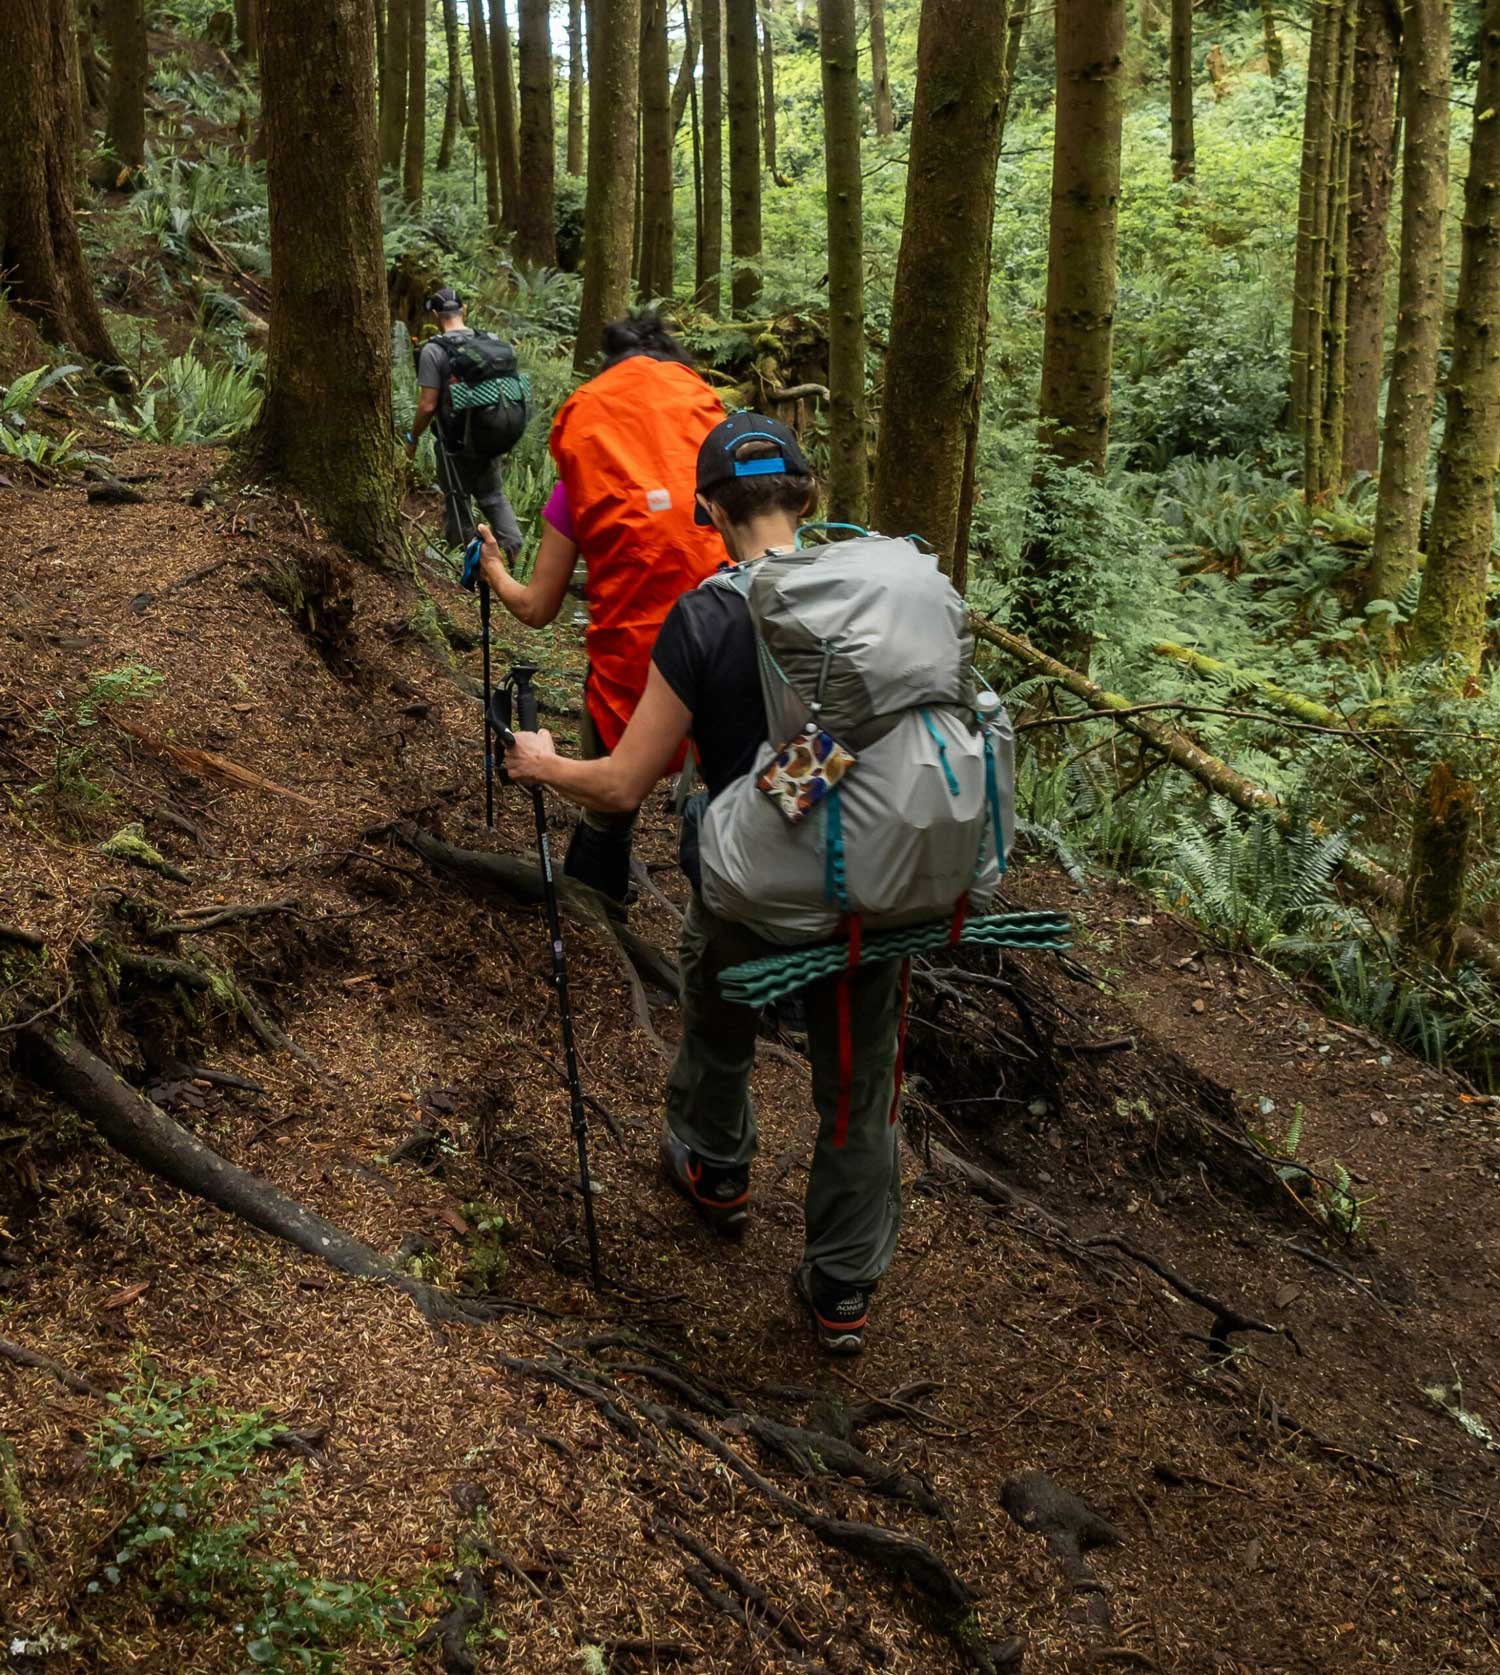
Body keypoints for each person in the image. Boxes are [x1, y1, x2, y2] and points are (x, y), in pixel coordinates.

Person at [503, 414, 905, 1357]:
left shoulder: (707, 616)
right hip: (869, 893)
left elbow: (625, 784)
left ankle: (717, 1171)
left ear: (709, 510)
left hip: (750, 897)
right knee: (858, 1088)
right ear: (807, 498)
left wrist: (546, 763)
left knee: (718, 1020)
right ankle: (841, 1286)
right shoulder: (878, 599)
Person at [474, 311, 725, 906]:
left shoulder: (589, 467)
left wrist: (494, 570)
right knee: (736, 802)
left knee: (608, 813)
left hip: (633, 676)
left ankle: (600, 926)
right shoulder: (720, 460)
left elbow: (537, 609)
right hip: (732, 662)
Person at [407, 286, 524, 558]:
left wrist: (412, 439)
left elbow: (427, 405)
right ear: (464, 310)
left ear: (435, 315)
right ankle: (515, 553)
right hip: (491, 432)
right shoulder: (489, 340)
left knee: (457, 498)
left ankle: (463, 559)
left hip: (455, 441)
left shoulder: (434, 351)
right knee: (493, 496)